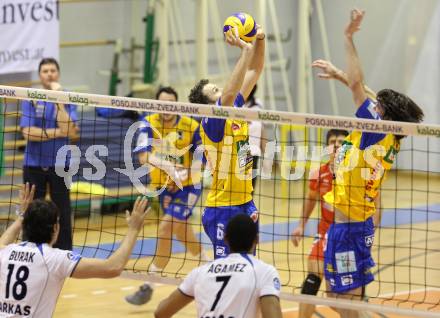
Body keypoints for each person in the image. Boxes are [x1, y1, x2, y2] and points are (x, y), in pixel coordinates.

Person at [318, 9, 424, 317]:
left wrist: (348, 37)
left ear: (383, 116)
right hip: (354, 225)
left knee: (345, 304)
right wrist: (340, 75)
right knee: (340, 299)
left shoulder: (375, 131)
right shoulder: (387, 136)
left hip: (349, 229)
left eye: (377, 106)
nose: (372, 104)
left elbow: (358, 85)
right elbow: (364, 88)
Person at [0, 183, 150, 317]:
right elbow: (113, 267)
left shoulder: (6, 252)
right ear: (55, 228)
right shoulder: (55, 259)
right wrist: (134, 229)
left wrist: (21, 217)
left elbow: (2, 242)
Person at [188, 25, 266, 258]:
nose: (221, 90)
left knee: (248, 264)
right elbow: (230, 94)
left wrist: (260, 39)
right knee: (228, 268)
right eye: (215, 90)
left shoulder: (236, 109)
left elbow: (255, 71)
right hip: (222, 208)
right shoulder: (211, 121)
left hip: (246, 202)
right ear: (208, 104)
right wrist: (244, 50)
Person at [126, 86, 206, 305]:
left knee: (164, 229)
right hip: (163, 188)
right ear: (156, 103)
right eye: (162, 103)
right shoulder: (147, 122)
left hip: (188, 187)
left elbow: (202, 162)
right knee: (182, 233)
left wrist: (184, 173)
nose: (166, 108)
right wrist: (167, 168)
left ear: (177, 105)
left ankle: (148, 284)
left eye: (171, 103)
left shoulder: (191, 126)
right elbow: (143, 157)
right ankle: (209, 268)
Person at [154, 214, 282, 318]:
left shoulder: (200, 272)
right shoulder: (264, 272)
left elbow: (160, 312)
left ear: (225, 239)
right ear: (257, 240)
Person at [20, 57, 79, 251]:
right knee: (31, 208)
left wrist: (59, 101)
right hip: (33, 164)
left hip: (61, 164)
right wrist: (57, 132)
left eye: (53, 71)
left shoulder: (68, 96)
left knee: (63, 209)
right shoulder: (31, 96)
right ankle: (29, 248)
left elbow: (71, 131)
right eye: (45, 71)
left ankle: (64, 252)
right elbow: (27, 132)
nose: (49, 74)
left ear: (58, 74)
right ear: (39, 76)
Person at [290, 129, 350, 317]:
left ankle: (357, 311)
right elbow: (311, 199)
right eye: (333, 141)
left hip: (347, 237)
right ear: (327, 147)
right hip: (324, 233)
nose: (337, 145)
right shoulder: (319, 173)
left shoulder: (355, 173)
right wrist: (301, 224)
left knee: (337, 295)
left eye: (341, 141)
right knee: (312, 279)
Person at [244, 85, 264, 190]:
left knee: (250, 187)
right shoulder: (235, 105)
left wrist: (265, 150)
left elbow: (261, 127)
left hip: (254, 151)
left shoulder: (258, 104)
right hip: (238, 151)